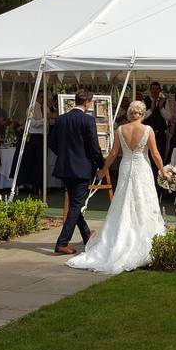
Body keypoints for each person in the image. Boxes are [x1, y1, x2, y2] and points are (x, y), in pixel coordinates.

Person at [67, 100, 166, 274]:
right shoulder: (148, 130)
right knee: (143, 200)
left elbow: (113, 154)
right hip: (142, 167)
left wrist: (103, 171)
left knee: (123, 200)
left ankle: (119, 237)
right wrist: (163, 170)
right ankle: (144, 238)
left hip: (126, 166)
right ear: (142, 114)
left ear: (129, 113)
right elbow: (155, 153)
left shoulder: (121, 130)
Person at [49, 90, 106, 255]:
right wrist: (101, 165)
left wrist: (64, 155)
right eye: (92, 102)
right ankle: (62, 242)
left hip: (65, 167)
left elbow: (52, 143)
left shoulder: (61, 119)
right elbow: (94, 146)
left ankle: (86, 233)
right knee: (76, 205)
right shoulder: (88, 120)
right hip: (82, 168)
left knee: (75, 203)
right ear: (87, 102)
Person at [10, 92, 46, 194]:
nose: (43, 99)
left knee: (41, 163)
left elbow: (47, 123)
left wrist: (52, 118)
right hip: (34, 136)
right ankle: (33, 184)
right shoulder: (31, 108)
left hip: (44, 136)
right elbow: (32, 123)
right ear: (37, 97)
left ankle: (39, 184)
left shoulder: (45, 108)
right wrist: (45, 119)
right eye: (42, 97)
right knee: (35, 162)